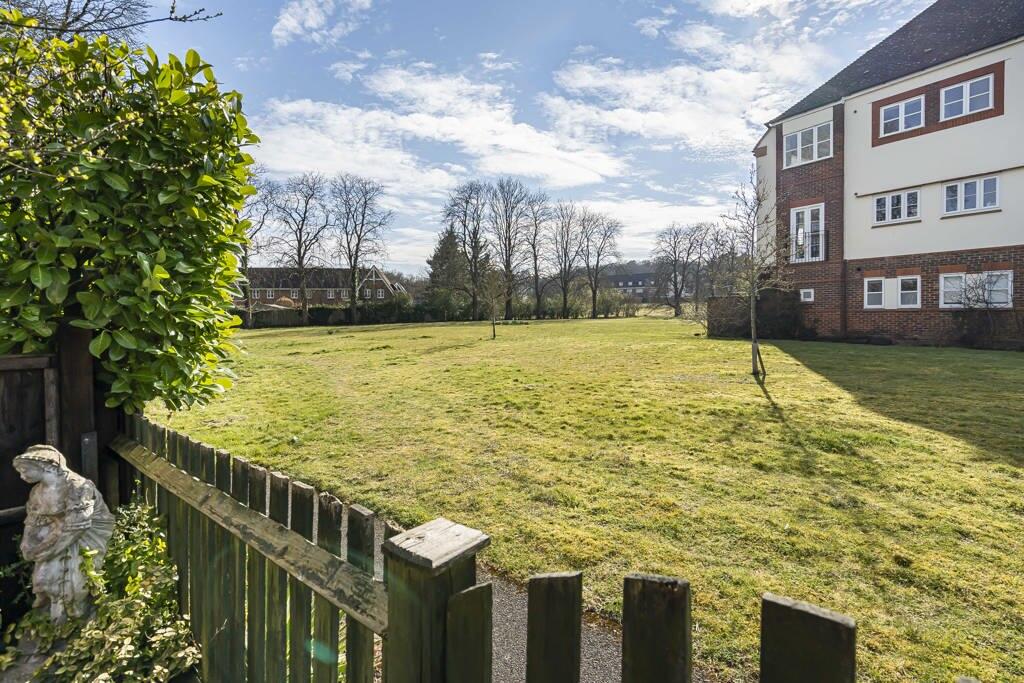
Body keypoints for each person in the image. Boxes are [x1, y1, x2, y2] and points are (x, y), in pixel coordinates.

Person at [13, 445, 115, 623]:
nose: (22, 476)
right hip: (55, 533)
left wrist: (47, 551)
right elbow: (33, 520)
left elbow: (77, 526)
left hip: (84, 535)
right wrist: (27, 544)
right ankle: (53, 615)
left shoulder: (78, 487)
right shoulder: (37, 492)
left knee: (75, 580)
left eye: (25, 471)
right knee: (43, 576)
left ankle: (77, 617)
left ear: (46, 466)